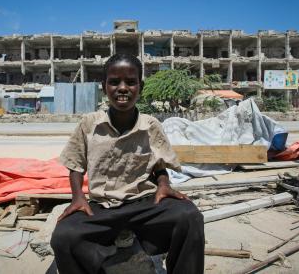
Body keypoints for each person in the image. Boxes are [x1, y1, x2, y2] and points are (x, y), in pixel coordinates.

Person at [50, 54, 205, 274]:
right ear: (104, 87)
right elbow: (75, 164)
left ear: (140, 86)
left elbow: (159, 164)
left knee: (190, 217)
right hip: (101, 207)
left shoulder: (150, 125)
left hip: (143, 204)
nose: (122, 88)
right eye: (114, 82)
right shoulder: (89, 124)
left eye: (130, 82)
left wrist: (163, 185)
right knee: (63, 236)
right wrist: (78, 197)